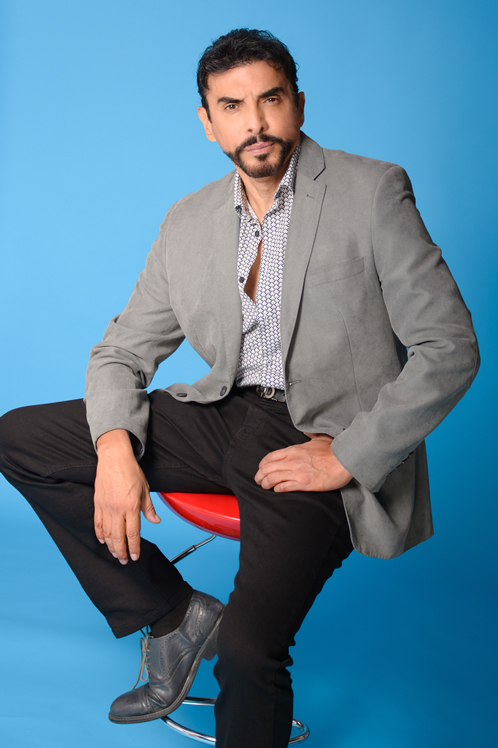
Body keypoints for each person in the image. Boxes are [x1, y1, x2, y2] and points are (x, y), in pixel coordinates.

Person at [0, 28, 479, 748]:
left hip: (319, 436)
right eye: (232, 106)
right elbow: (122, 351)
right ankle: (174, 616)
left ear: (298, 104)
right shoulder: (188, 220)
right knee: (19, 439)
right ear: (208, 121)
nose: (255, 124)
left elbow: (450, 348)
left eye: (270, 100)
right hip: (222, 412)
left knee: (251, 654)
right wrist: (115, 448)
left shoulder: (372, 191)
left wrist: (348, 455)